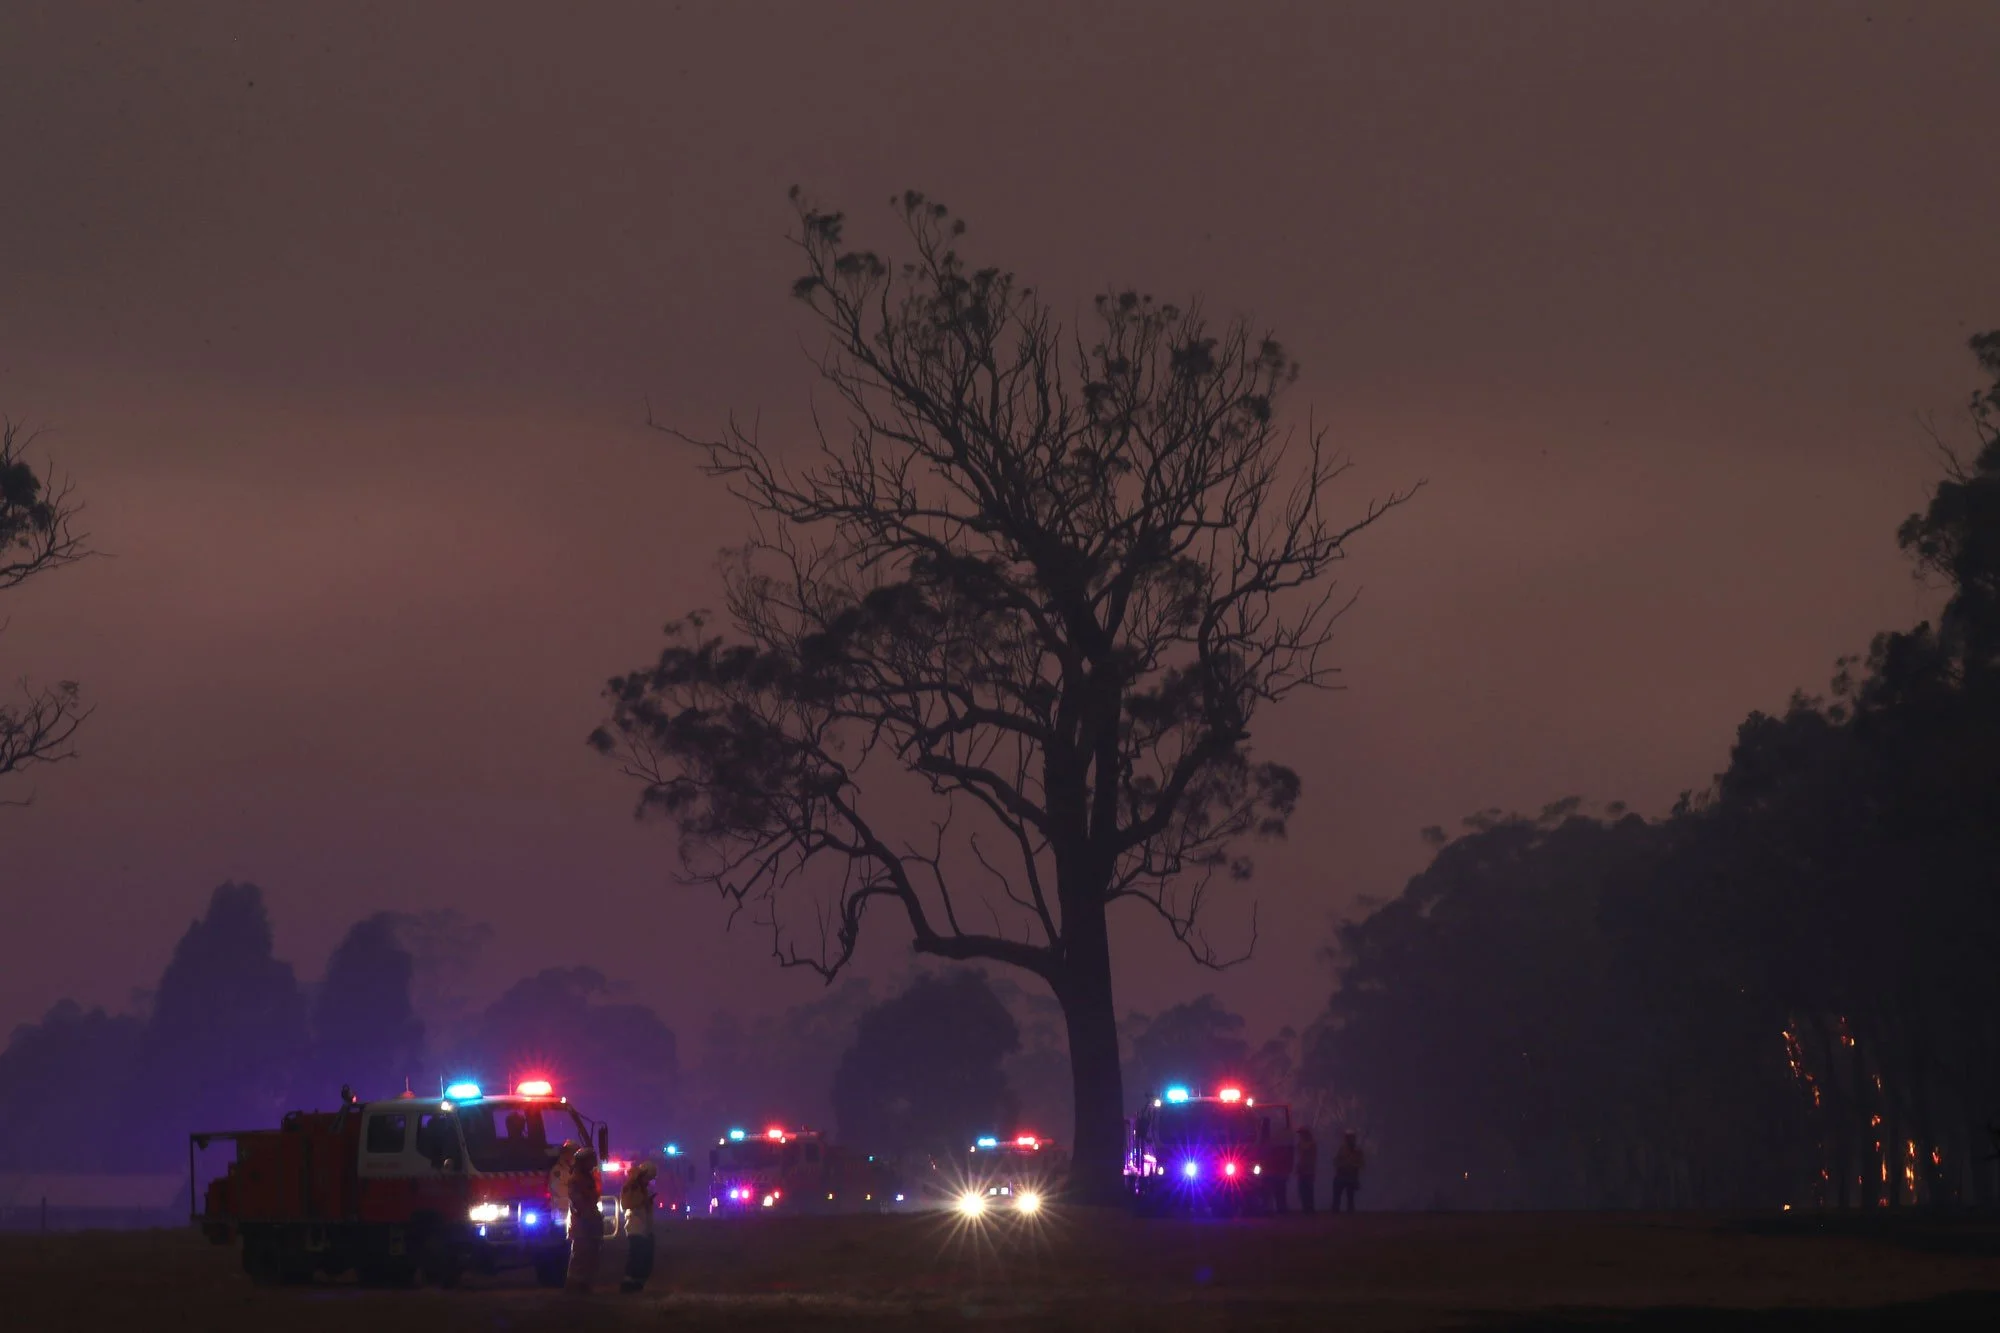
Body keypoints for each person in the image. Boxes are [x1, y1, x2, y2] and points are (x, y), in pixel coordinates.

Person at [566, 1147, 602, 1294]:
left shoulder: (587, 1177)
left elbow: (593, 1197)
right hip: (582, 1221)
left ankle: (584, 1284)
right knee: (580, 1254)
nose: (593, 1162)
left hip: (589, 1219)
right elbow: (578, 1201)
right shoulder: (576, 1179)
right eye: (591, 1159)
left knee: (590, 1254)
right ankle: (574, 1286)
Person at [619, 1161, 658, 1293]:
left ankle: (638, 1283)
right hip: (635, 1227)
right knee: (636, 1256)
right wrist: (643, 1201)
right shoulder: (631, 1186)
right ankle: (629, 1283)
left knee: (645, 1258)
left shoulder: (642, 1187)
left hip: (644, 1227)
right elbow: (626, 1203)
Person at [1331, 1131, 1365, 1213]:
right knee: (1337, 1196)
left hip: (1351, 1176)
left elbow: (1361, 1164)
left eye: (1351, 1138)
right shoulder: (1342, 1149)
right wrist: (1341, 1165)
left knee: (1350, 1197)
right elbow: (1335, 1161)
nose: (1349, 1140)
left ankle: (1350, 1213)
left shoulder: (1358, 1151)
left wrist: (1352, 1165)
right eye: (1348, 1138)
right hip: (1341, 1175)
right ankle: (1336, 1211)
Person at [1295, 1127, 1318, 1216]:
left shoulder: (1310, 1144)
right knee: (1303, 1191)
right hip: (1303, 1170)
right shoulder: (1301, 1144)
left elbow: (1310, 1158)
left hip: (1308, 1170)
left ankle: (1309, 1209)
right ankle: (1306, 1209)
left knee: (1307, 1190)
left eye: (1301, 1134)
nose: (1300, 1136)